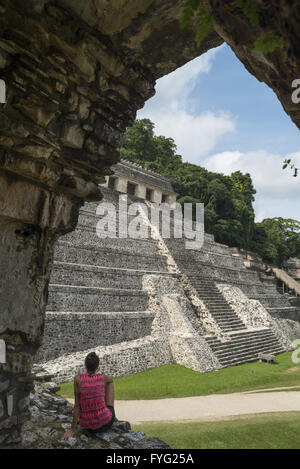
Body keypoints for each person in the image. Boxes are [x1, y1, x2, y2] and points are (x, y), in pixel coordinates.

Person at [62, 352, 115, 439]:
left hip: (88, 427)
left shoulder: (77, 379)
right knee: (110, 383)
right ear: (97, 367)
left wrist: (72, 429)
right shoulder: (103, 378)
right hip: (105, 423)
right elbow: (111, 379)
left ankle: (101, 409)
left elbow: (77, 406)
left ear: (85, 365)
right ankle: (105, 408)